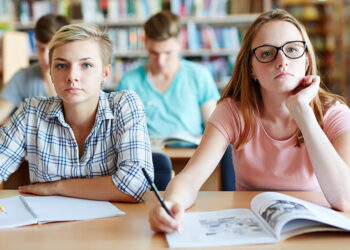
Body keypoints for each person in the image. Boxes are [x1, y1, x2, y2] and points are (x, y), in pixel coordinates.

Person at [148, 9, 350, 233]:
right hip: (251, 230)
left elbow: (344, 199)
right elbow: (191, 178)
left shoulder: (336, 114)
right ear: (251, 68)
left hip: (312, 232)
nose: (282, 61)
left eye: (292, 49)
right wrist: (172, 202)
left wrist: (303, 111)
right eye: (266, 53)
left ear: (306, 61)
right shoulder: (232, 111)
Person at [0, 23, 153, 202]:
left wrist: (57, 187)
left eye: (86, 65)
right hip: (48, 227)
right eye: (61, 66)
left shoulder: (125, 105)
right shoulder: (31, 112)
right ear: (50, 72)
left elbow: (135, 186)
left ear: (105, 73)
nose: (72, 76)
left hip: (112, 227)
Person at [116, 10, 220, 137]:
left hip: (191, 154)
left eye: (168, 52)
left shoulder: (199, 75)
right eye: (154, 52)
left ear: (180, 44)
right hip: (147, 156)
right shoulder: (129, 81)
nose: (161, 61)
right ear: (145, 43)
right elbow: (120, 134)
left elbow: (214, 129)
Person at [0, 14, 70, 125]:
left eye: (51, 49)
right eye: (41, 49)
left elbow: (65, 118)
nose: (45, 57)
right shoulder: (23, 76)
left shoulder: (76, 78)